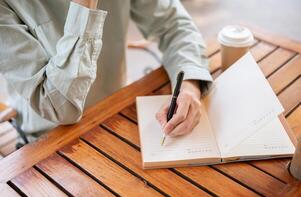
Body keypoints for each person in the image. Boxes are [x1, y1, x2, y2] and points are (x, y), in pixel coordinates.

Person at [0, 0, 212, 140]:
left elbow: (174, 24)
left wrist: (190, 86)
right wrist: (85, 9)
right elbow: (59, 108)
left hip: (118, 115)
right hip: (48, 140)